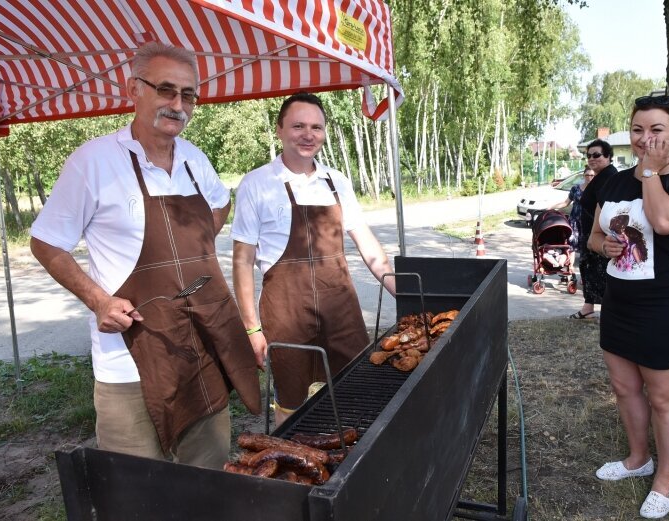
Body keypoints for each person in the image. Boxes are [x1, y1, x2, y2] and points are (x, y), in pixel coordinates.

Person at [29, 42, 262, 469]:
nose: (178, 104)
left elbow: (220, 201)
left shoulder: (195, 160)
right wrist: (98, 300)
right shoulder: (93, 161)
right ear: (134, 88)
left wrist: (197, 247)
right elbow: (46, 241)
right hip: (129, 365)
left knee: (207, 481)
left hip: (199, 353)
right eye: (166, 90)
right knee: (137, 495)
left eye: (188, 94)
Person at [231, 92, 396, 425]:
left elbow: (366, 242)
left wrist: (400, 288)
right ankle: (295, 464)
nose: (308, 135)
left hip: (341, 311)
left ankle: (350, 457)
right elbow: (241, 261)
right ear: (279, 130)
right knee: (290, 402)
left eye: (316, 128)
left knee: (356, 387)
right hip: (286, 314)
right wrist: (251, 329)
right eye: (298, 126)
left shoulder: (337, 182)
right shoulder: (257, 184)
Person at [587, 94, 669, 519]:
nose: (646, 138)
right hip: (619, 303)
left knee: (663, 399)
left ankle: (665, 481)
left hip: (666, 308)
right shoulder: (613, 180)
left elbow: (663, 222)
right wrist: (608, 246)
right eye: (638, 129)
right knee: (624, 388)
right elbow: (593, 239)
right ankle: (639, 459)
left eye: (657, 129)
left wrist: (652, 172)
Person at [570, 140, 619, 319]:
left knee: (601, 272)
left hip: (599, 235)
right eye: (589, 155)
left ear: (608, 156)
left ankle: (607, 310)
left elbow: (605, 207)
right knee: (588, 269)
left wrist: (596, 235)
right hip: (590, 233)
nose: (592, 158)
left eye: (596, 155)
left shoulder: (610, 176)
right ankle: (588, 306)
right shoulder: (600, 177)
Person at [547, 164, 593, 277]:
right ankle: (570, 268)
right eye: (587, 175)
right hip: (575, 221)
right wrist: (552, 207)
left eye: (592, 175)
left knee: (585, 249)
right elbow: (566, 203)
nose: (589, 177)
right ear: (584, 175)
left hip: (588, 223)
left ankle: (584, 275)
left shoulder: (596, 189)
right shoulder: (576, 188)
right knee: (571, 245)